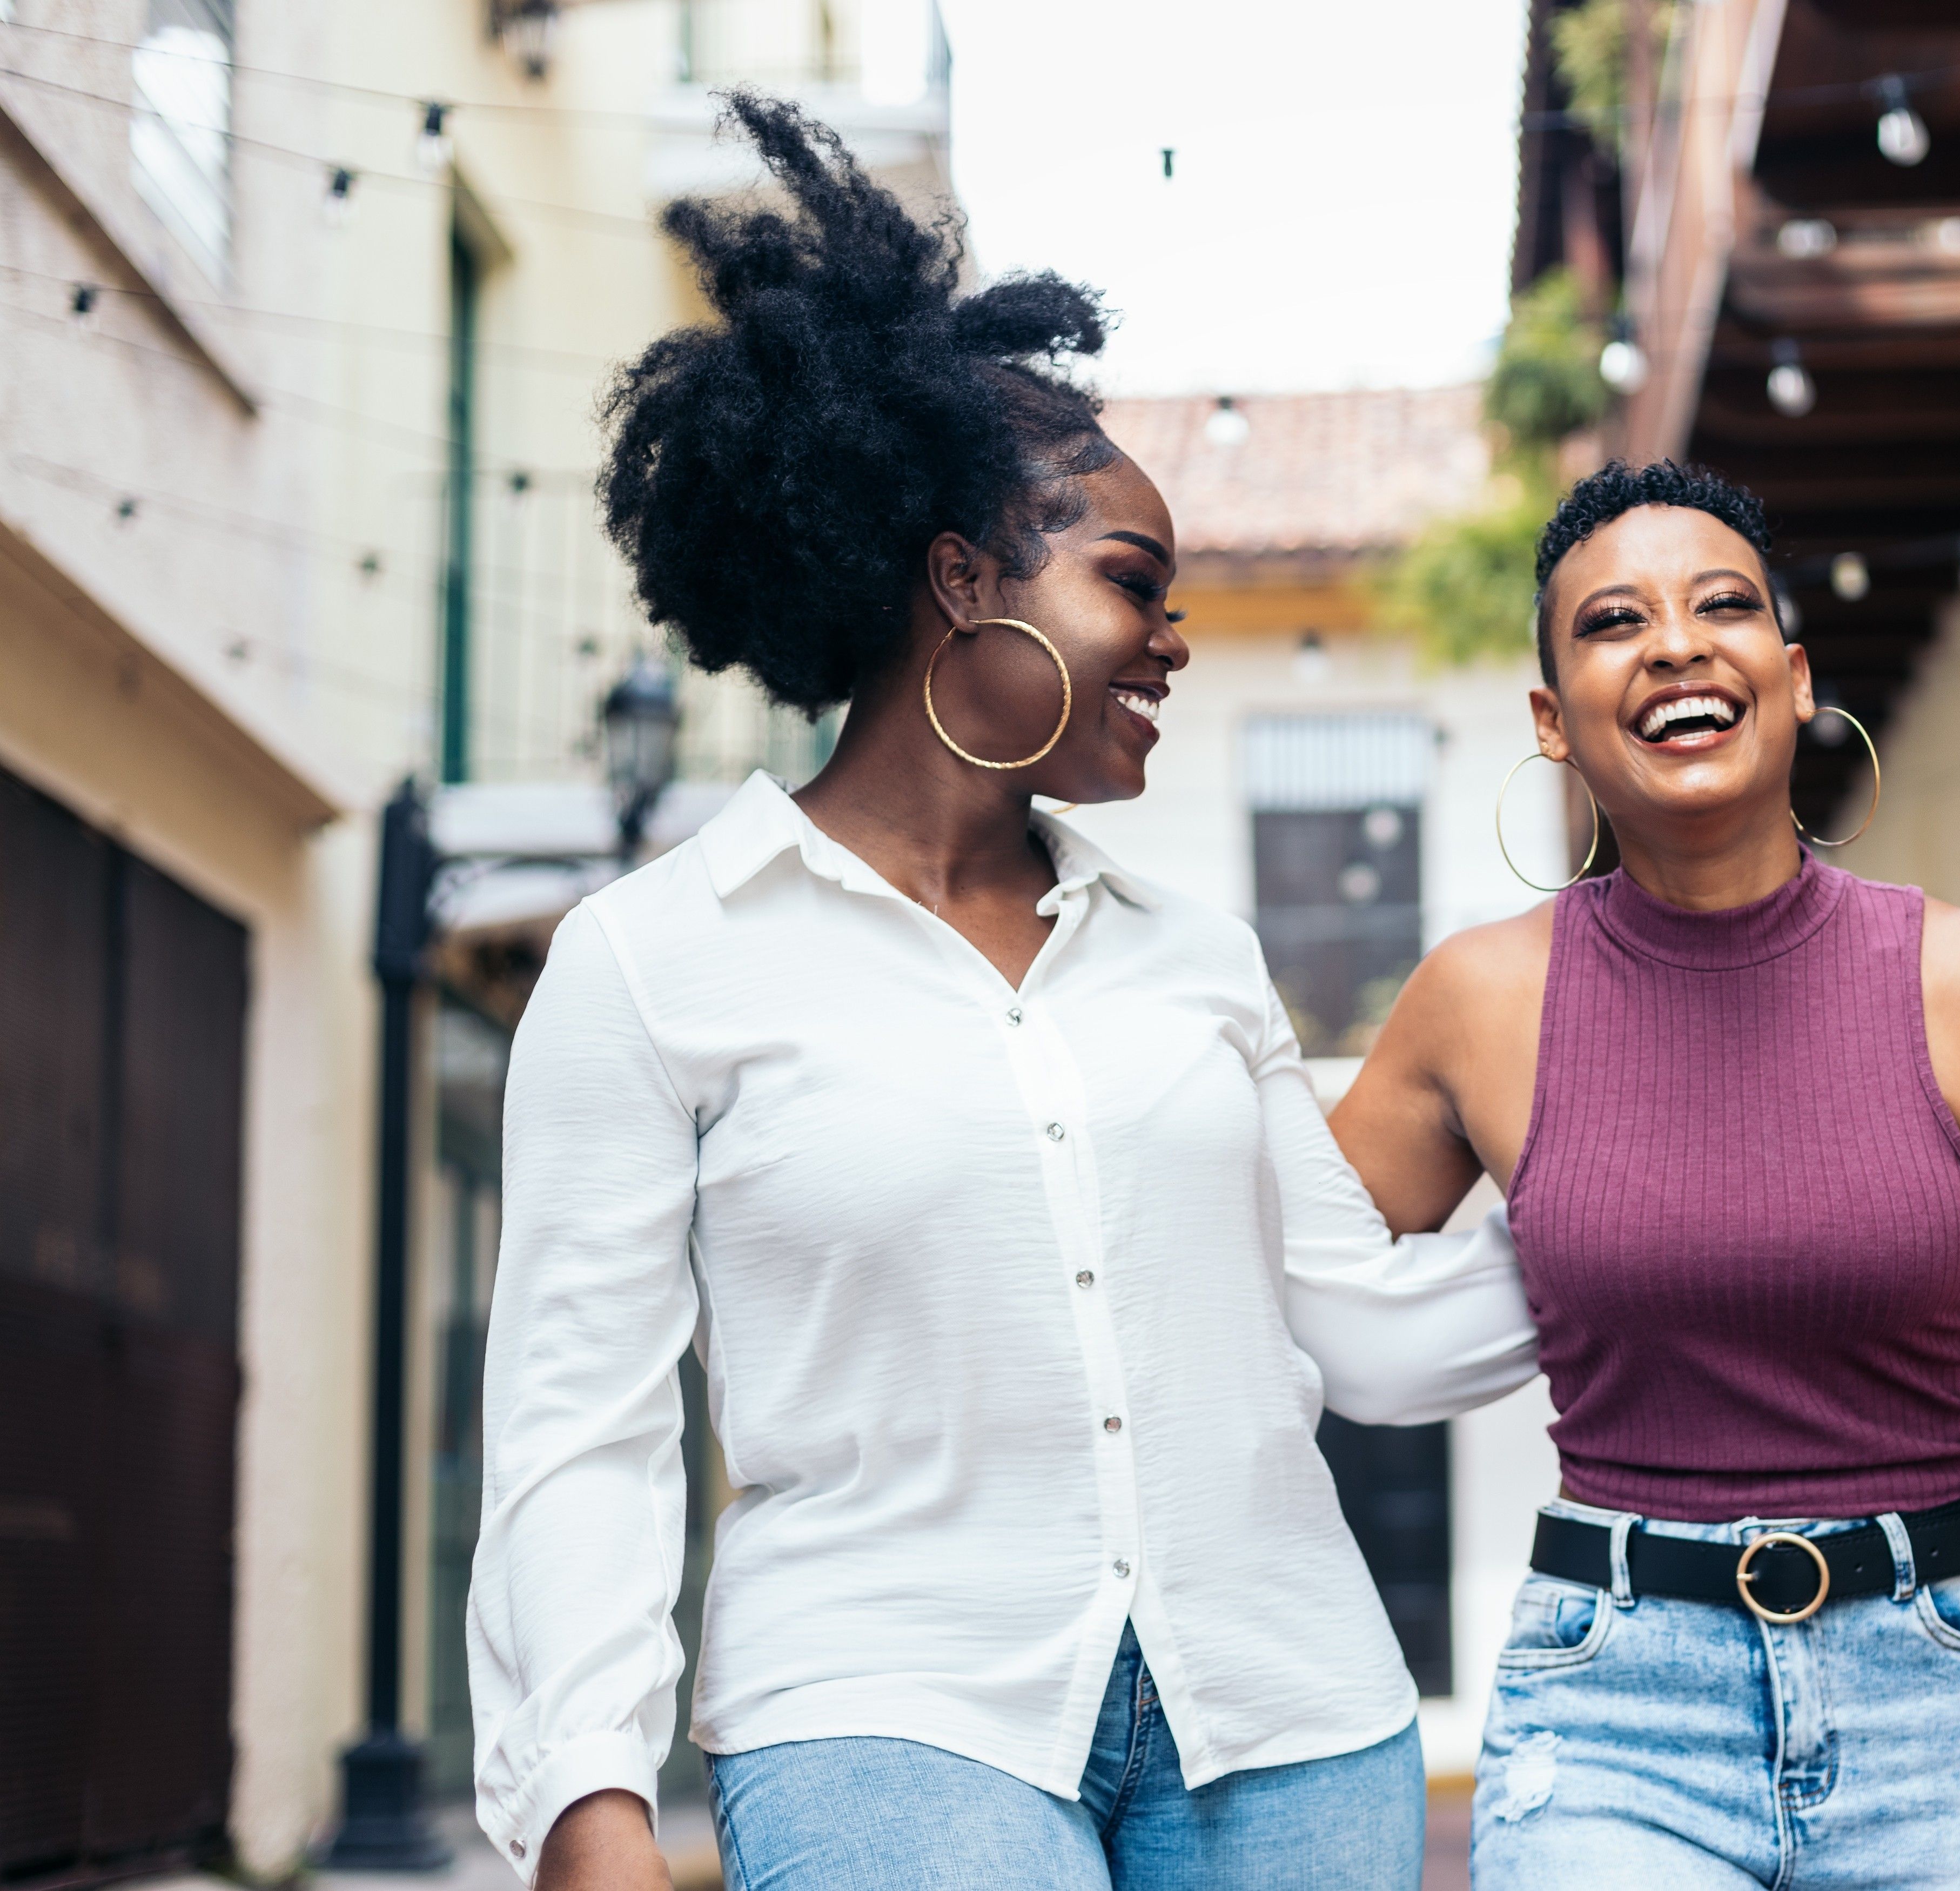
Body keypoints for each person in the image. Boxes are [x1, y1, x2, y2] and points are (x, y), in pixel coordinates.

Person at [468, 96, 1534, 1891]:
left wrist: (1674, 1198)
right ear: (963, 577)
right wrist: (587, 1803)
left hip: (1288, 1717)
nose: (1174, 640)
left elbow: (1366, 1328)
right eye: (1135, 582)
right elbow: (580, 1427)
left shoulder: (1195, 953)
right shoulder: (653, 961)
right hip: (887, 1714)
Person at [1331, 459, 1960, 1888]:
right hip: (1619, 1715)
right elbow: (1278, 1294)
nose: (1677, 642)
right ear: (1552, 722)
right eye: (1614, 622)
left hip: (1949, 1696)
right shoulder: (1479, 1004)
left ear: (1793, 676)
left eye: (1723, 605)